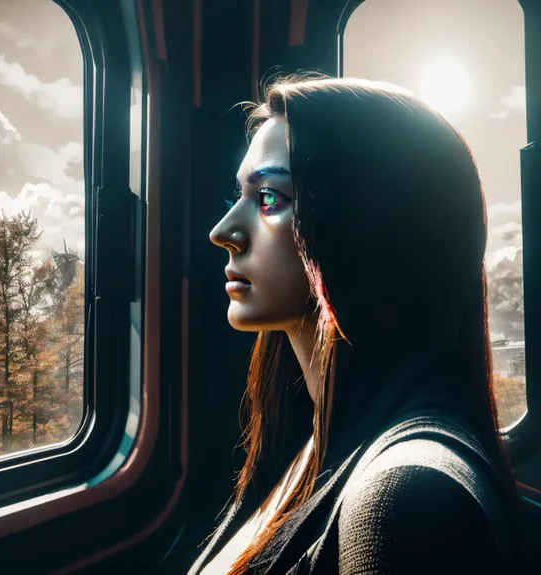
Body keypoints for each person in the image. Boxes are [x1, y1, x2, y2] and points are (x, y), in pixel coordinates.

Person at [191, 75, 523, 574]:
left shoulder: (407, 497)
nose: (224, 233)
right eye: (236, 197)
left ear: (370, 225)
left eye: (269, 199)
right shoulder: (305, 442)